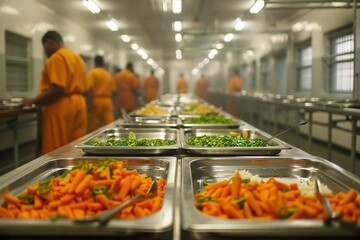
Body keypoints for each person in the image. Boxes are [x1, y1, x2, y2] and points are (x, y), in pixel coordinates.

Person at [22, 30, 88, 155]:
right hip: (79, 104)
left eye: (44, 48)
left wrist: (33, 101)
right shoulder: (77, 58)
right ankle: (76, 173)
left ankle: (58, 174)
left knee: (56, 149)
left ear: (49, 43)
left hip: (60, 107)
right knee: (75, 147)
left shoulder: (57, 57)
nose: (45, 52)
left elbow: (58, 88)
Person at [86, 55, 115, 133]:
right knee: (109, 123)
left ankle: (94, 142)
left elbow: (90, 89)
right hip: (107, 101)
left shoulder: (92, 73)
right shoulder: (108, 74)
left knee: (94, 125)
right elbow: (113, 91)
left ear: (94, 62)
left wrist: (88, 103)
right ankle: (111, 139)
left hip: (96, 101)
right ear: (103, 63)